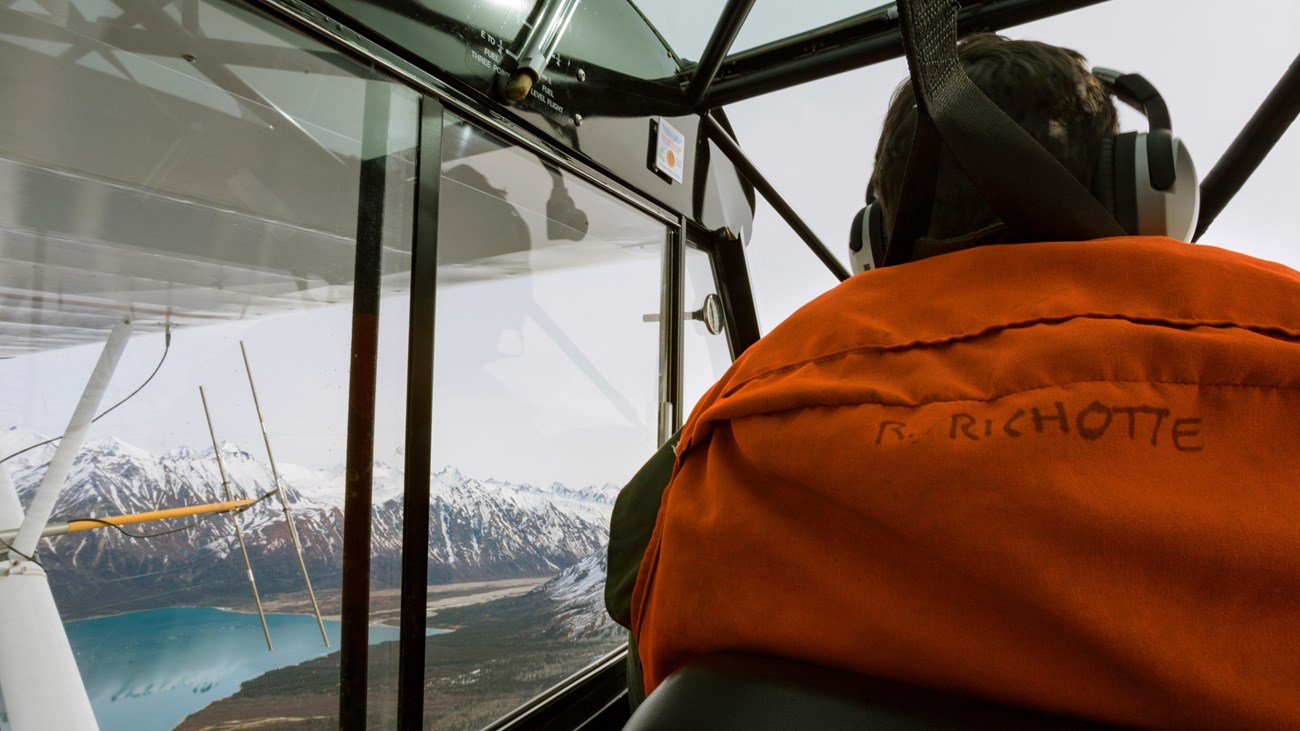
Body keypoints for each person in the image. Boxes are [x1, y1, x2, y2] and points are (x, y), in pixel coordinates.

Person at [606, 33, 1300, 728]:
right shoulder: (1277, 356)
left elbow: (639, 610)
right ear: (1143, 190)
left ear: (876, 237)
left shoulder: (717, 441)